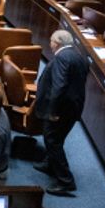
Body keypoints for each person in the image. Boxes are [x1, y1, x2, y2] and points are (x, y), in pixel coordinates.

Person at [33, 29, 88, 196]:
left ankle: (66, 181)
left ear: (56, 43)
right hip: (73, 107)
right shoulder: (79, 56)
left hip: (61, 109)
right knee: (58, 138)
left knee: (52, 140)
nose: (50, 44)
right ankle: (49, 164)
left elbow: (59, 85)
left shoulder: (62, 58)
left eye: (51, 41)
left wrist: (52, 111)